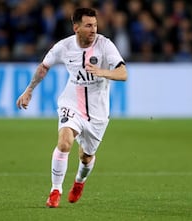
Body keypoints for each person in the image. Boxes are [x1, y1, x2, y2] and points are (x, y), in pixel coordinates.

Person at [16, 7, 128, 208]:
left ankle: (79, 182)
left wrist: (103, 72)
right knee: (65, 141)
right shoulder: (64, 46)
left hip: (98, 110)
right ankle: (55, 190)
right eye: (88, 25)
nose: (93, 30)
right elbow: (44, 67)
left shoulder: (105, 45)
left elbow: (123, 73)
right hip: (72, 102)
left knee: (86, 157)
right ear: (76, 27)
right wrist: (29, 90)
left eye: (94, 25)